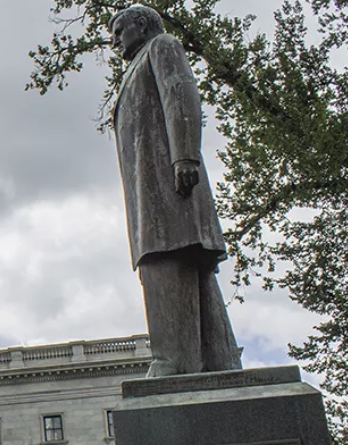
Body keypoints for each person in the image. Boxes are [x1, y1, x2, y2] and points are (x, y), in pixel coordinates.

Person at [110, 5, 242, 377]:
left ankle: (173, 359)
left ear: (141, 24)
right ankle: (220, 359)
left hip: (165, 181)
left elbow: (180, 93)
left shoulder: (162, 46)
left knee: (166, 257)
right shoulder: (136, 67)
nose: (114, 41)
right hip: (151, 186)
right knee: (190, 266)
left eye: (119, 31)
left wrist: (184, 155)